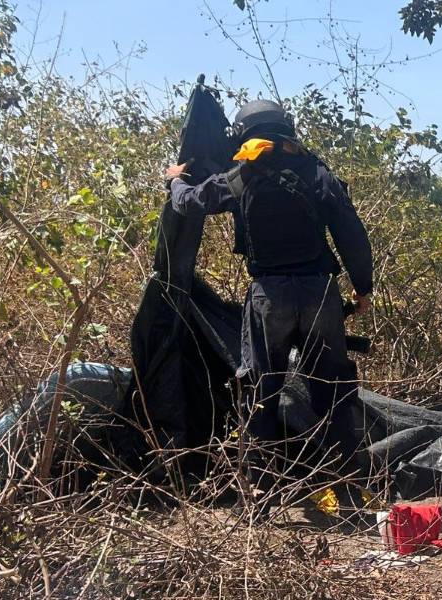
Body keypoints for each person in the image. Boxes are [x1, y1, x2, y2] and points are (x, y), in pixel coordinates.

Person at [164, 99, 374, 502]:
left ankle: (259, 493)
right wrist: (362, 289)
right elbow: (352, 235)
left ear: (244, 133)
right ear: (287, 128)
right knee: (334, 389)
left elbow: (190, 203)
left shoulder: (244, 174)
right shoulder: (316, 172)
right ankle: (348, 486)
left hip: (269, 297)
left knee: (259, 393)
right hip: (320, 294)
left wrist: (175, 179)